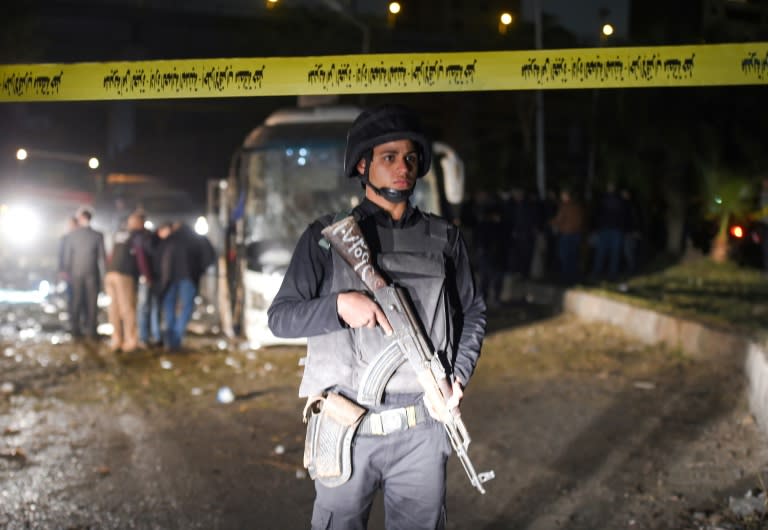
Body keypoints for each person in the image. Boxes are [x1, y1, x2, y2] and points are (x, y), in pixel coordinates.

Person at [267, 104, 486, 530]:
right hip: (348, 427)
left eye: (409, 158)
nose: (402, 168)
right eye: (388, 157)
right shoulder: (324, 239)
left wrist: (458, 377)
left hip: (423, 428)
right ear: (363, 164)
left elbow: (473, 311)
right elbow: (281, 318)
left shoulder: (444, 238)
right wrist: (338, 306)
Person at [158, 220, 215, 352]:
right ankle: (176, 338)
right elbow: (209, 256)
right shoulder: (197, 238)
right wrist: (200, 270)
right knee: (187, 308)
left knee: (169, 308)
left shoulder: (170, 239)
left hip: (170, 278)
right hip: (189, 277)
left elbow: (159, 256)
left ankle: (170, 339)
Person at [104, 211, 152, 353]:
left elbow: (110, 254)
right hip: (125, 274)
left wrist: (108, 270)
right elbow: (141, 256)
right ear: (139, 222)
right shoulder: (137, 235)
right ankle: (131, 341)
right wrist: (147, 275)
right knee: (128, 309)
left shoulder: (119, 234)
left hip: (111, 272)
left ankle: (116, 340)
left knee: (114, 309)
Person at [63, 207, 106, 339]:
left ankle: (76, 330)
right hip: (92, 273)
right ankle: (92, 330)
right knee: (92, 303)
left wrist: (67, 272)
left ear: (81, 218)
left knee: (76, 301)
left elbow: (67, 257)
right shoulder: (98, 235)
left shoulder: (71, 235)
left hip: (76, 273)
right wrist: (104, 275)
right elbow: (102, 257)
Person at [550, 188, 586, 285]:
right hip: (576, 234)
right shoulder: (578, 206)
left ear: (567, 196)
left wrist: (550, 223)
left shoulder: (565, 206)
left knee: (564, 256)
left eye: (563, 195)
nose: (562, 197)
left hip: (567, 234)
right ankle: (574, 277)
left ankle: (566, 277)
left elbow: (559, 219)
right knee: (573, 256)